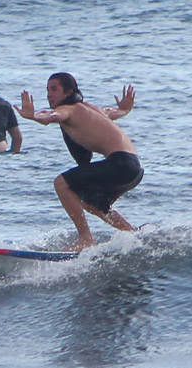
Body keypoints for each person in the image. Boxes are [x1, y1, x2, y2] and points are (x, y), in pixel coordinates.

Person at [17, 72, 142, 251]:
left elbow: (51, 116)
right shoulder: (93, 109)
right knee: (92, 203)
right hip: (134, 168)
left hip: (120, 164)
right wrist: (125, 110)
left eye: (54, 89)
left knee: (61, 184)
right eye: (47, 90)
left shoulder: (68, 109)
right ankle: (133, 234)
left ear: (68, 92)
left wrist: (33, 117)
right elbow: (113, 112)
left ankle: (85, 238)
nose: (49, 94)